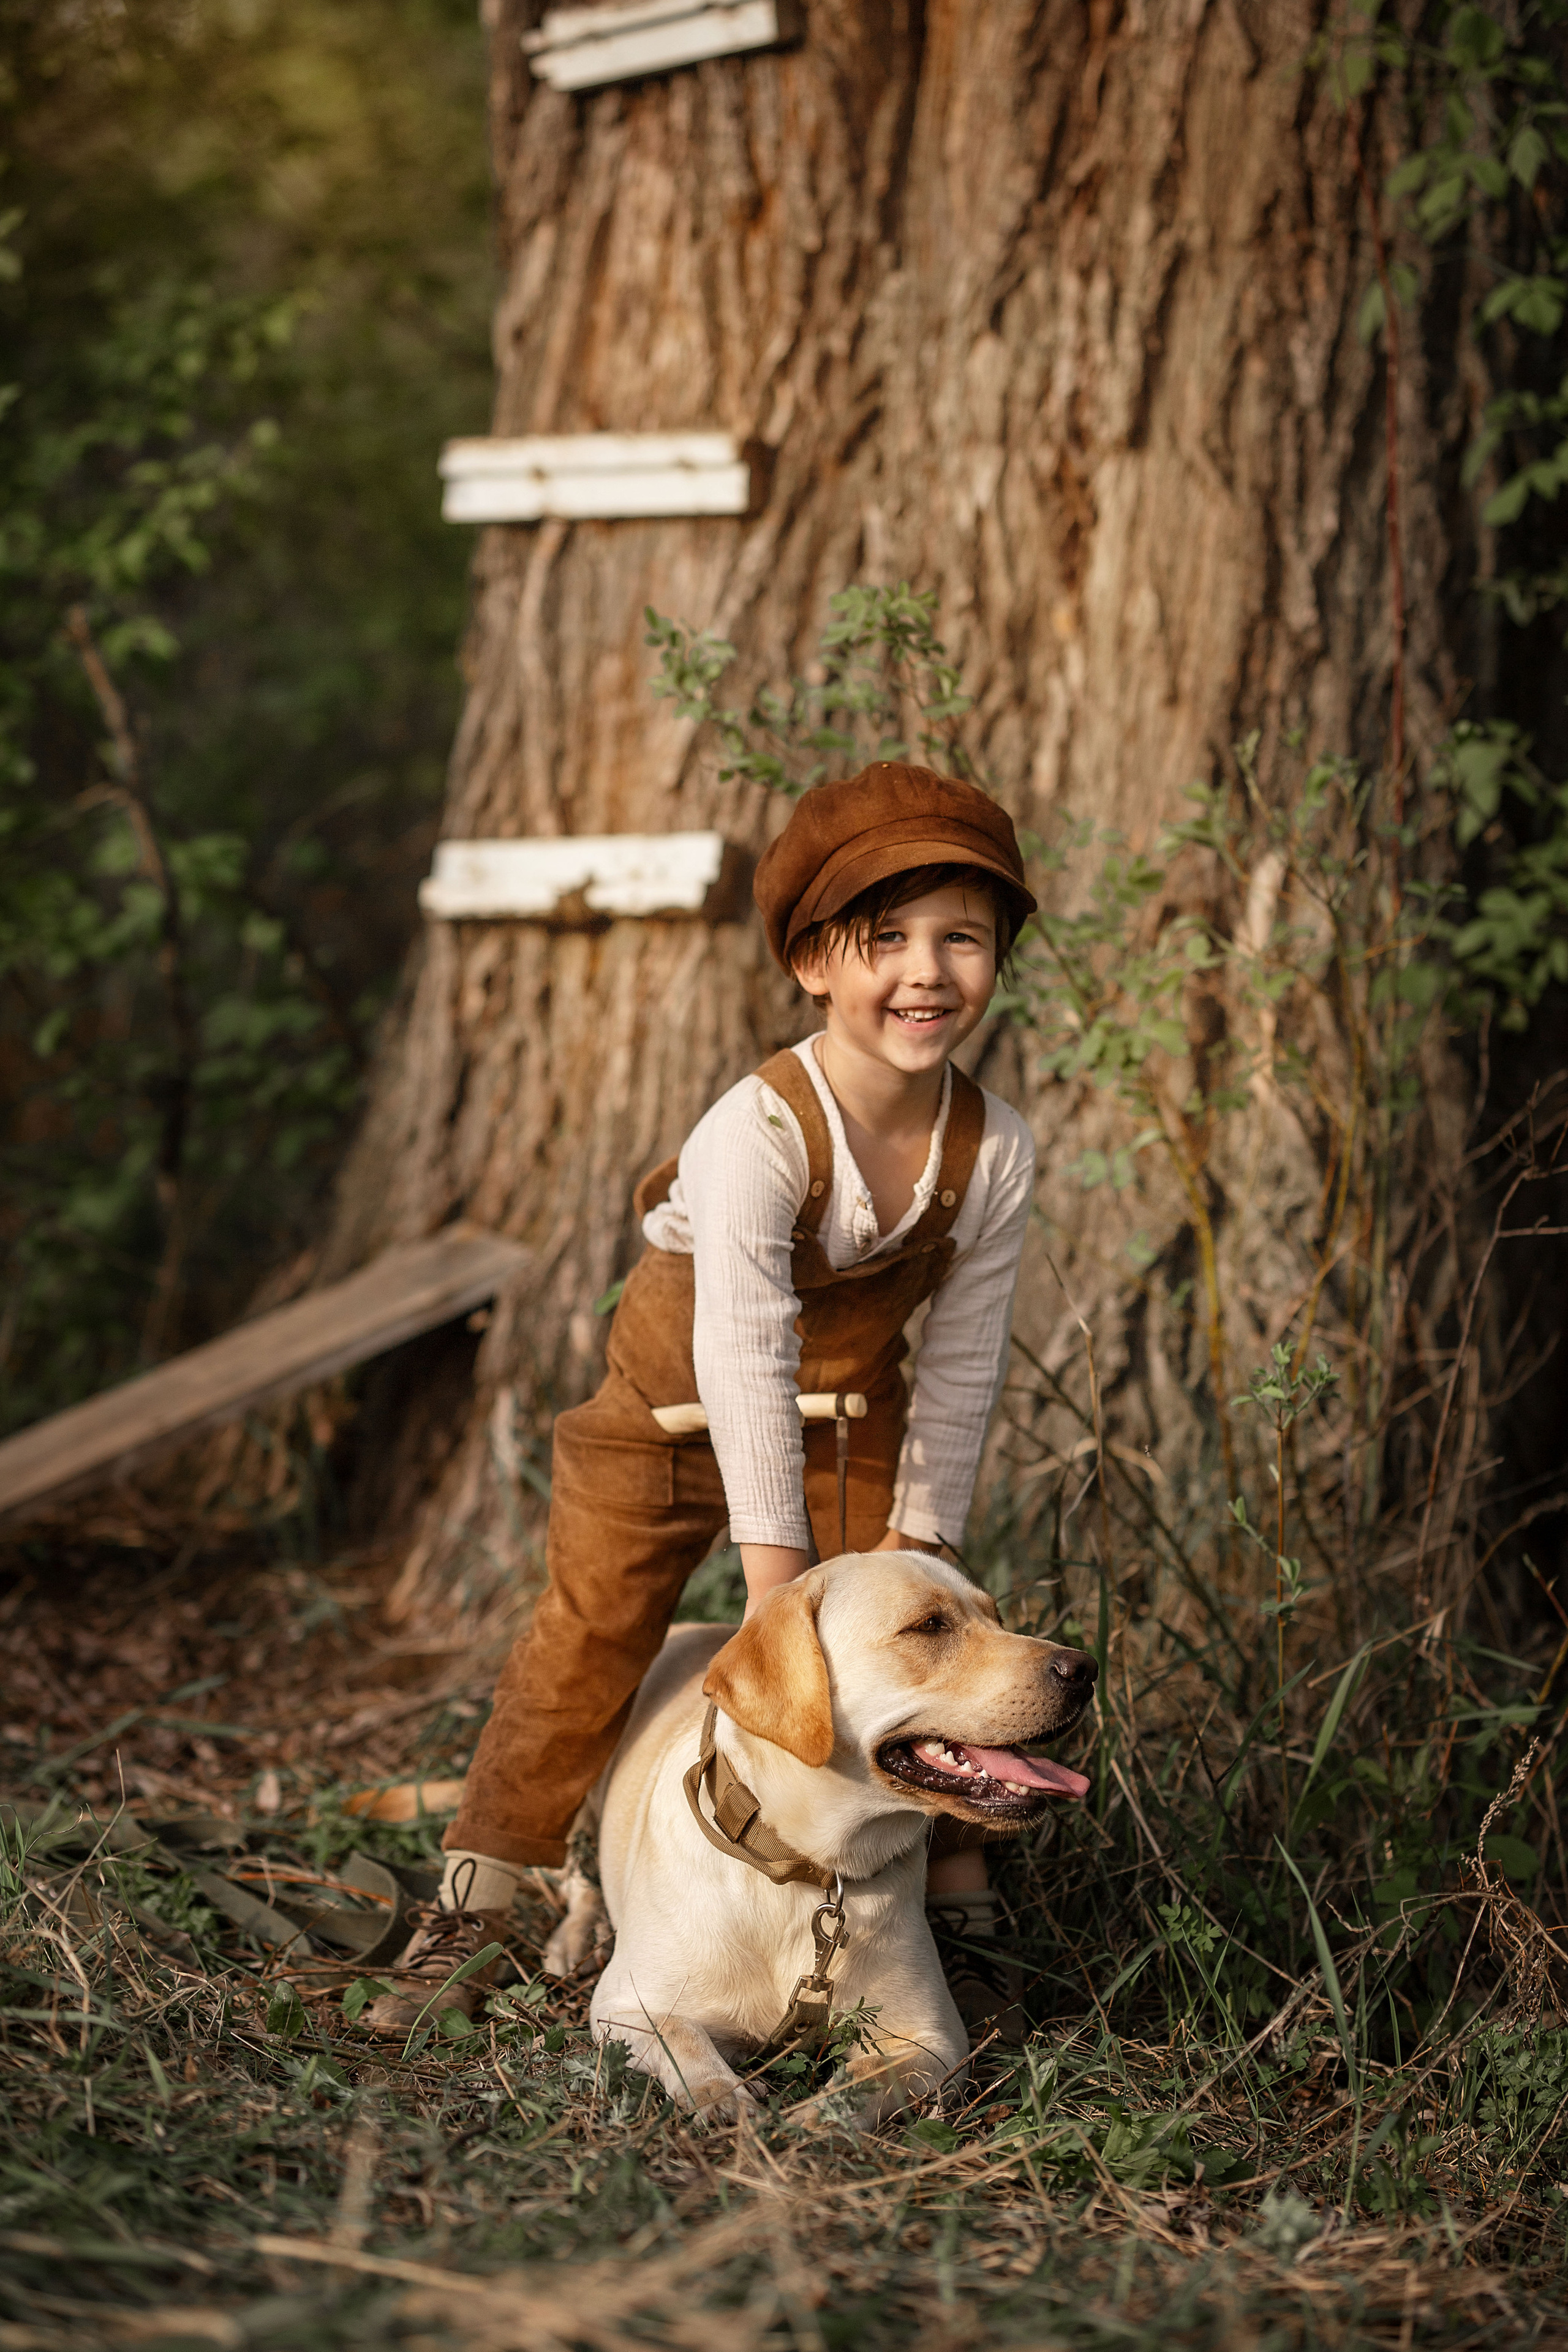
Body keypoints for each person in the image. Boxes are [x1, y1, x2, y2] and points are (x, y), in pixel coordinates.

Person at [363, 761, 1038, 2037]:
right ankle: (483, 1892)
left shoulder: (992, 1145)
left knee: (910, 1668)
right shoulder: (759, 1128)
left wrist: (925, 1541)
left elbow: (961, 1356)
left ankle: (953, 1907)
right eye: (883, 939)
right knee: (589, 1643)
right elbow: (740, 1347)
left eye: (963, 938)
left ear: (1000, 957)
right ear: (812, 964)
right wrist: (778, 1583)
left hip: (850, 1421)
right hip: (667, 1418)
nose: (925, 972)